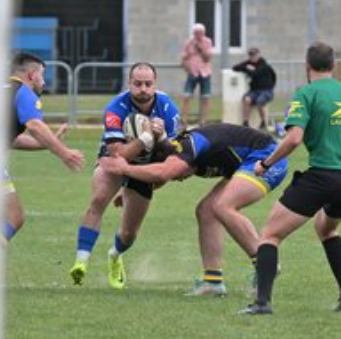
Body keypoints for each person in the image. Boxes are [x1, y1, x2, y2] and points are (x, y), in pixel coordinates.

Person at [100, 123, 288, 296]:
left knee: (223, 206)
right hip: (245, 163)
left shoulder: (185, 147)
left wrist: (125, 169)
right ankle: (213, 282)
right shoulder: (179, 155)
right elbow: (166, 175)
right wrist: (129, 192)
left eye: (178, 176)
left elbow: (165, 172)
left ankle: (265, 263)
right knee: (206, 210)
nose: (179, 180)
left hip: (266, 158)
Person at [239, 42, 341, 315]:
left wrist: (266, 163)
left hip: (322, 176)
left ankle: (262, 303)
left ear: (307, 66)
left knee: (270, 235)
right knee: (326, 229)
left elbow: (294, 138)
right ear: (333, 65)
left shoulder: (306, 93)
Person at [69, 62, 180, 290]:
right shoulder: (115, 107)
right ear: (129, 83)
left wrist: (161, 138)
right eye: (137, 84)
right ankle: (81, 262)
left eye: (148, 84)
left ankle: (115, 256)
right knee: (98, 200)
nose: (143, 89)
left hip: (147, 165)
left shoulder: (168, 108)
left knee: (129, 233)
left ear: (155, 85)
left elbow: (172, 160)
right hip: (115, 158)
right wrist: (145, 138)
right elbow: (118, 155)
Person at [1, 52, 85, 245]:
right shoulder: (23, 92)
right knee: (13, 216)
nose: (44, 82)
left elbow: (11, 139)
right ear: (32, 75)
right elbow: (35, 126)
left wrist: (48, 142)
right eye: (42, 75)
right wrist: (64, 153)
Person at [232, 47, 276, 130]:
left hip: (266, 90)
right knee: (247, 99)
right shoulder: (248, 63)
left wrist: (249, 69)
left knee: (260, 101)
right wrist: (246, 67)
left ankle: (263, 122)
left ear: (258, 55)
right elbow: (235, 67)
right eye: (251, 55)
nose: (252, 57)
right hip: (254, 90)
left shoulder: (264, 64)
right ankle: (245, 122)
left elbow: (256, 73)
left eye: (254, 55)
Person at [180, 23, 213, 127]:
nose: (198, 35)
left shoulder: (207, 42)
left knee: (205, 97)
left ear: (203, 33)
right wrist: (187, 68)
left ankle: (204, 121)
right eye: (196, 33)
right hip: (192, 72)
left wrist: (200, 47)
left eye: (200, 33)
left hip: (205, 73)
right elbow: (183, 58)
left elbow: (207, 58)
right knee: (186, 96)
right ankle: (184, 120)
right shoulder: (188, 42)